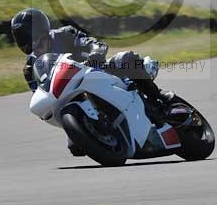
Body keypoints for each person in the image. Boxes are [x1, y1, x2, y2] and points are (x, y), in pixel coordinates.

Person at [10, 8, 173, 151]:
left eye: (26, 33)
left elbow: (92, 43)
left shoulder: (64, 34)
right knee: (75, 147)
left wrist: (95, 53)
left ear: (39, 29)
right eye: (20, 36)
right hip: (69, 96)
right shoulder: (30, 69)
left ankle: (157, 97)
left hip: (95, 71)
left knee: (125, 58)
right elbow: (42, 92)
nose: (24, 40)